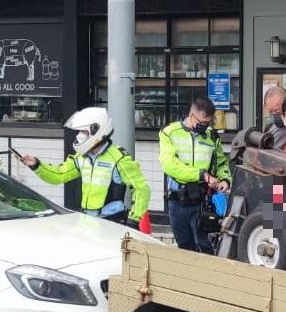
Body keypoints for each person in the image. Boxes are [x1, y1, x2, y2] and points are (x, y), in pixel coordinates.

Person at [20, 106, 149, 228]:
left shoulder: (119, 158)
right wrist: (37, 165)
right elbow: (58, 176)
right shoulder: (81, 157)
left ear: (97, 130)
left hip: (112, 221)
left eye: (83, 131)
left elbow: (141, 189)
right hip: (87, 220)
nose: (79, 136)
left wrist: (133, 219)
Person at [159, 96, 231, 253]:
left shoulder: (212, 136)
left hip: (202, 202)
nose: (205, 126)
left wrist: (225, 179)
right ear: (191, 116)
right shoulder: (169, 133)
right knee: (184, 247)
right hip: (178, 200)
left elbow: (220, 162)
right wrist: (202, 175)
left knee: (206, 247)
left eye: (208, 123)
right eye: (202, 123)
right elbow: (170, 166)